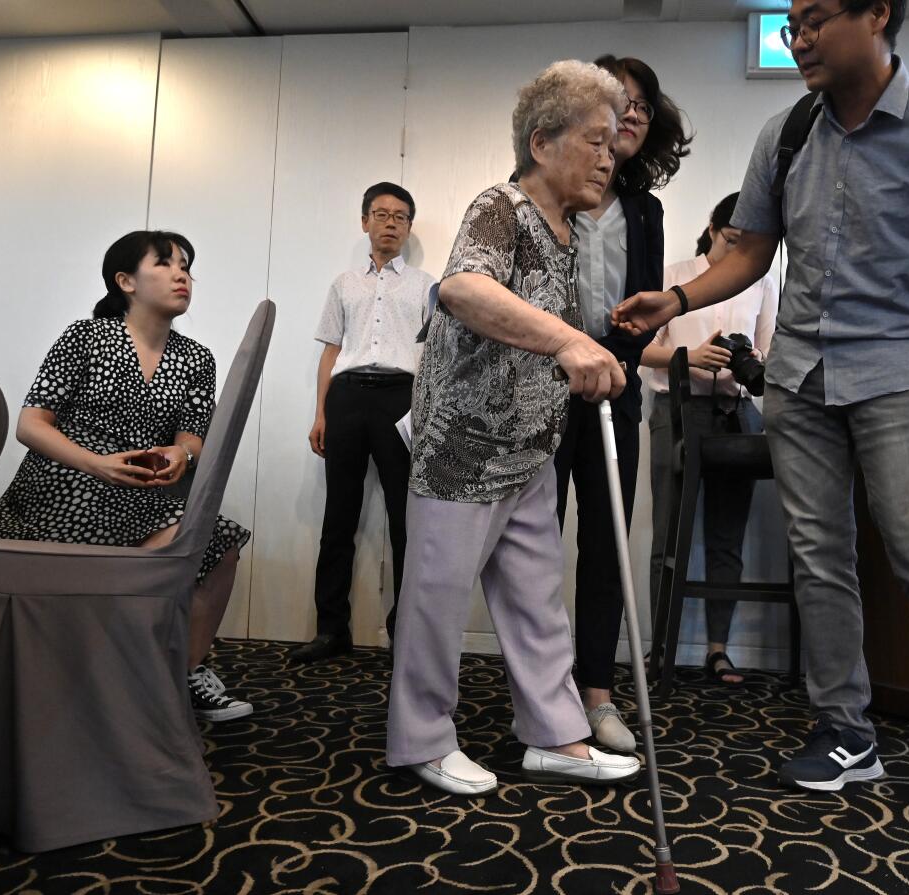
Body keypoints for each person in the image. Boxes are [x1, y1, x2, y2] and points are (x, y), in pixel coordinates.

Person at [613, 0, 909, 830]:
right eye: (789, 23)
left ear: (877, 14)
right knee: (818, 558)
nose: (796, 36)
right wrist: (678, 299)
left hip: (901, 376)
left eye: (814, 18)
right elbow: (753, 250)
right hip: (799, 380)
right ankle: (846, 729)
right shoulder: (787, 131)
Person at [386, 60, 641, 796]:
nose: (608, 155)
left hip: (529, 445)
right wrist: (568, 342)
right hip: (462, 446)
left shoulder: (566, 232)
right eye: (593, 140)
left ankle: (555, 734)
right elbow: (465, 289)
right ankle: (423, 739)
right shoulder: (501, 205)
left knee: (536, 600)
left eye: (612, 142)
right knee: (437, 596)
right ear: (542, 140)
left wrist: (587, 351)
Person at [0, 230, 253, 722]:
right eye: (165, 264)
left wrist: (182, 457)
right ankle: (113, 676)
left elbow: (194, 435)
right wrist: (95, 462)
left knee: (217, 539)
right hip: (64, 485)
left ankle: (176, 677)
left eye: (186, 266)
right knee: (144, 560)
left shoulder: (196, 358)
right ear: (125, 280)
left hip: (141, 494)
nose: (181, 274)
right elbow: (31, 424)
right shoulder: (84, 337)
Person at [550, 55, 691, 753]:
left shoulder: (646, 209)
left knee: (605, 543)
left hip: (616, 393)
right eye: (617, 99)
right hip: (543, 392)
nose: (630, 112)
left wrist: (616, 360)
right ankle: (541, 689)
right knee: (536, 543)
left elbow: (646, 311)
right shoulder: (551, 193)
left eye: (641, 102)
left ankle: (596, 692)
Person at [291, 183, 435, 665]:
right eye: (381, 214)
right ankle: (331, 629)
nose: (390, 223)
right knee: (338, 518)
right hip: (348, 397)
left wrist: (426, 413)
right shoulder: (344, 284)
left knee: (406, 521)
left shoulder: (424, 285)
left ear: (409, 227)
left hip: (402, 397)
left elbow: (434, 355)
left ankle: (407, 632)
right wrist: (321, 411)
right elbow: (330, 350)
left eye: (400, 217)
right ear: (364, 222)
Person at [641, 192, 777, 685]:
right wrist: (688, 357)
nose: (739, 253)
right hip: (675, 411)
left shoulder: (762, 282)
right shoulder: (673, 273)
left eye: (750, 244)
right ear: (714, 228)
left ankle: (718, 649)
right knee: (668, 536)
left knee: (727, 538)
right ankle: (661, 647)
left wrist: (754, 362)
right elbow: (638, 348)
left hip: (739, 413)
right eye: (732, 241)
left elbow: (766, 349)